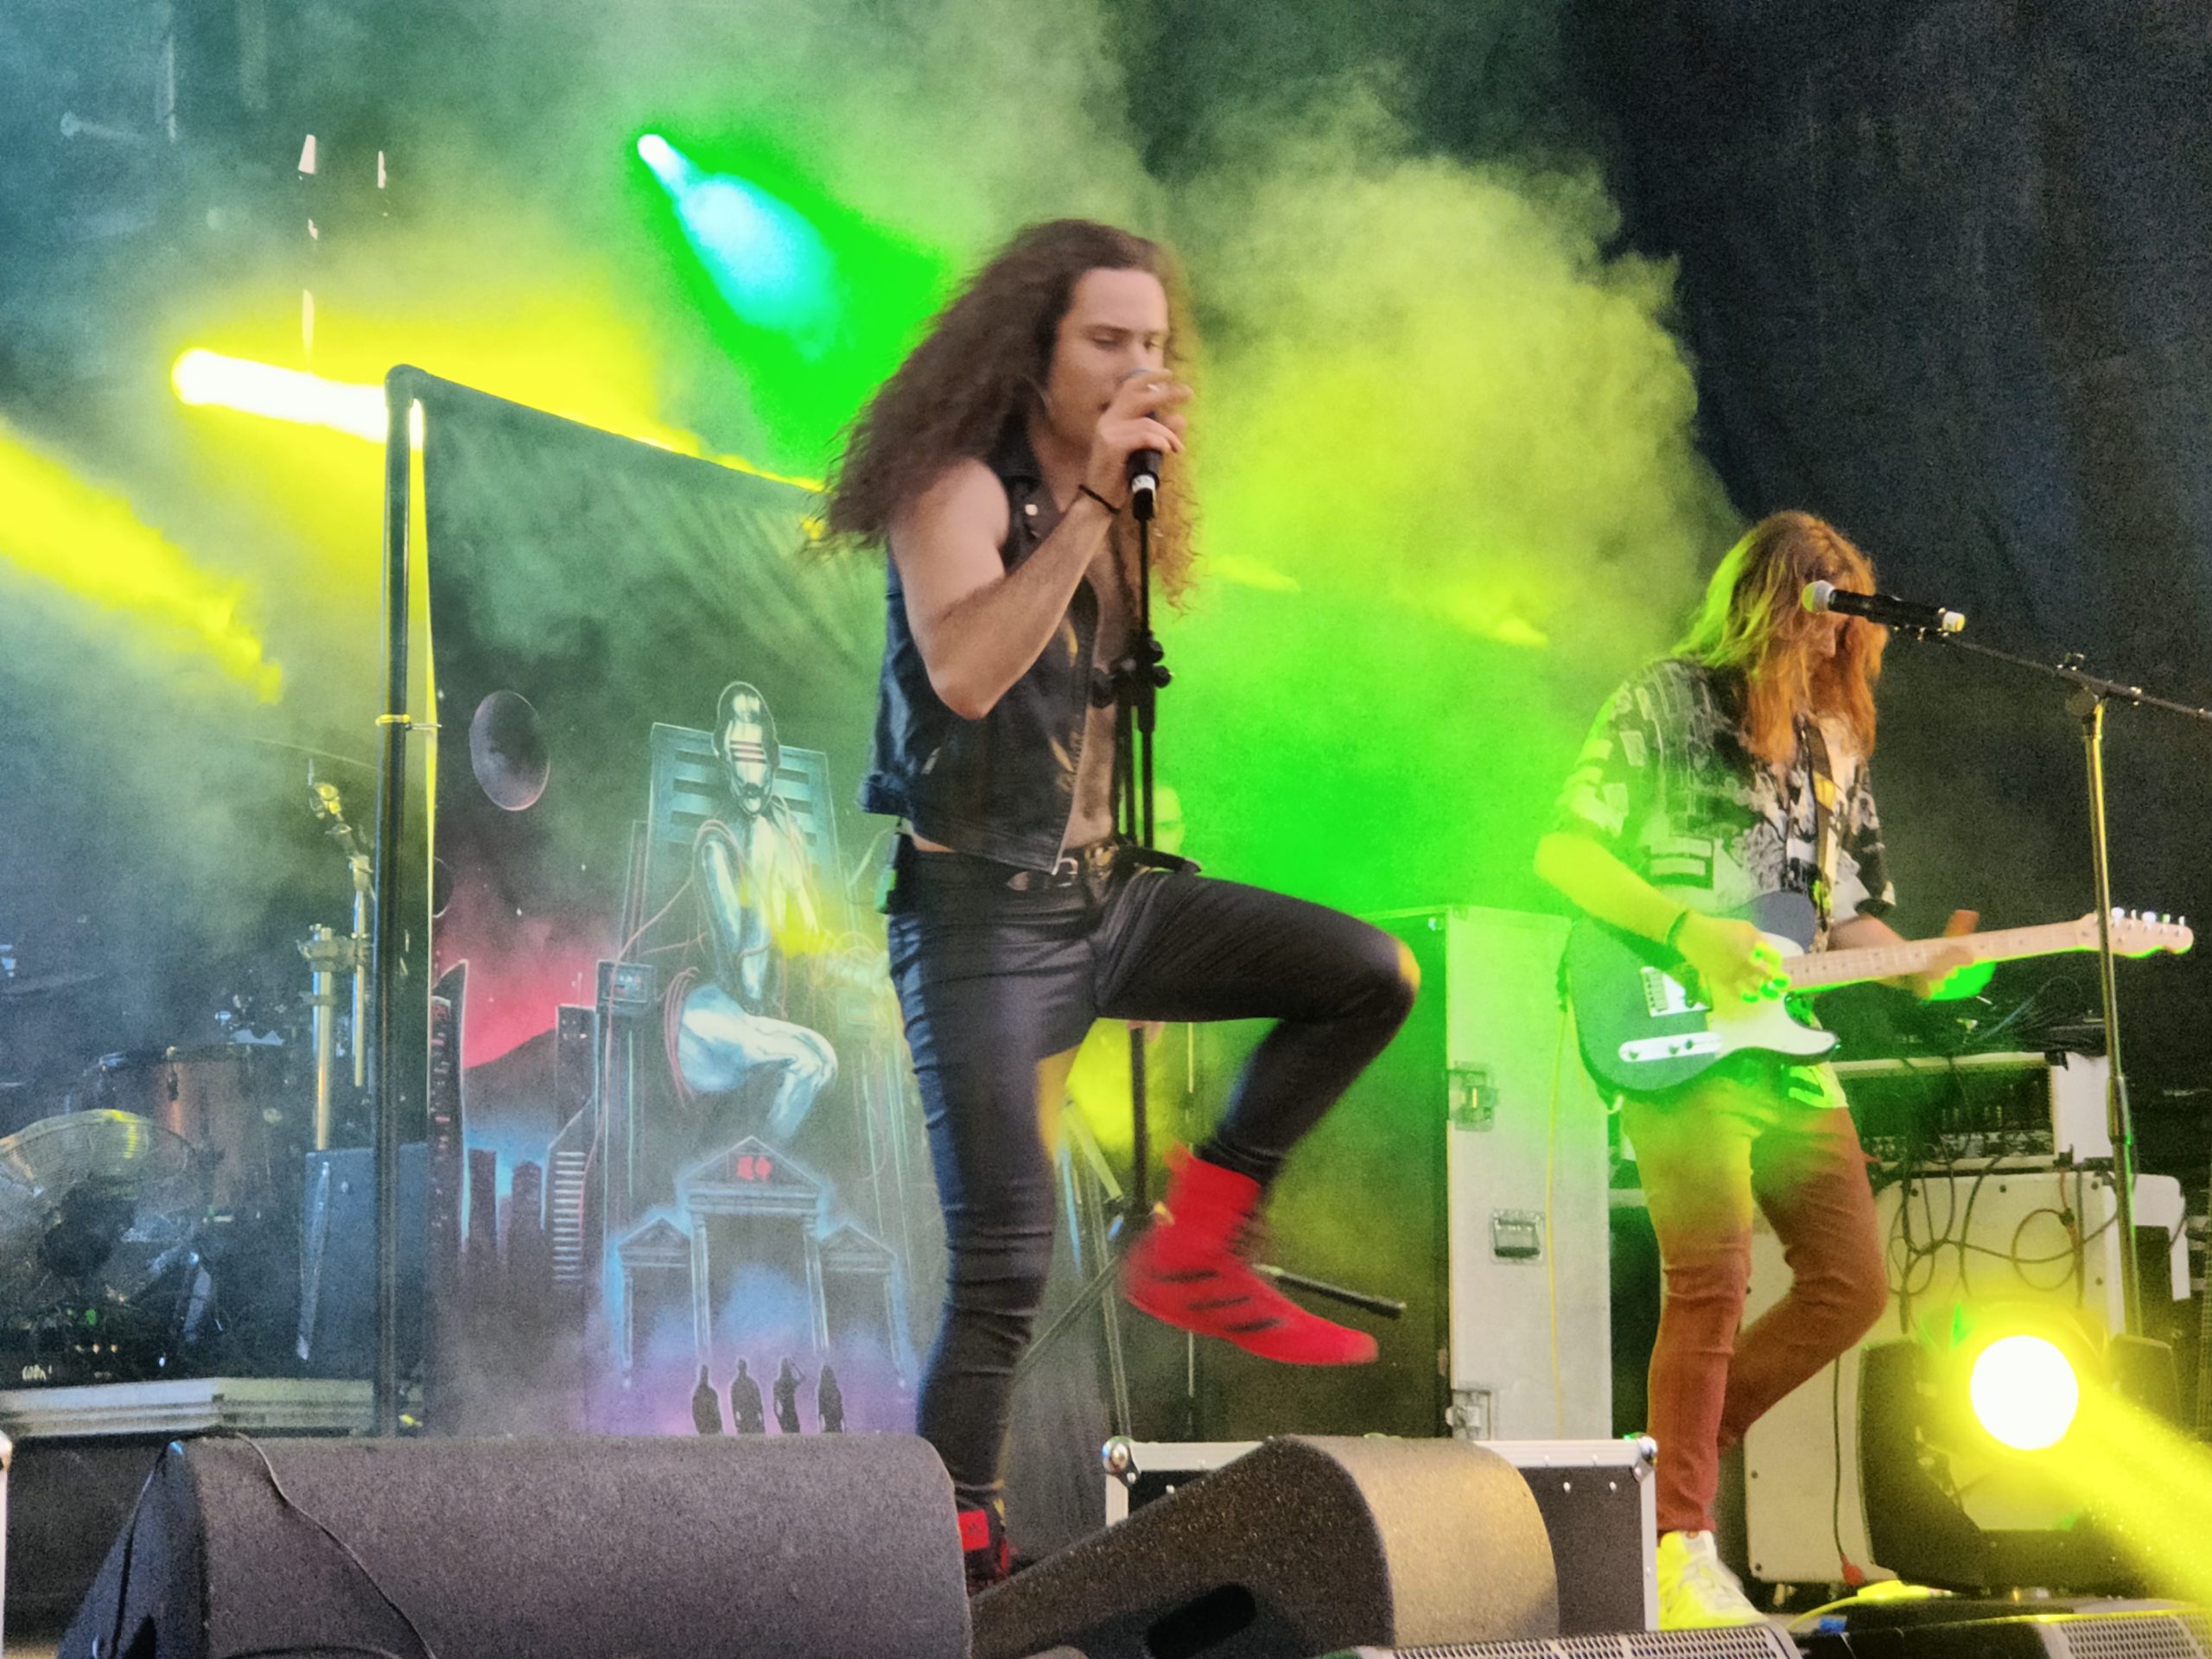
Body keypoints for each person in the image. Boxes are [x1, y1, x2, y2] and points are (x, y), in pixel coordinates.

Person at [825, 218, 1417, 1588]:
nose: (1137, 365)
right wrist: (1092, 504)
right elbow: (970, 674)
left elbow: (1094, 719)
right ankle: (957, 1571)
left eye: (1153, 342)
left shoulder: (1128, 509)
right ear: (1031, 348)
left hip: (1107, 901)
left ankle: (1204, 1238)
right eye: (1106, 339)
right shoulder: (952, 486)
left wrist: (1154, 870)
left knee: (1368, 974)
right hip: (980, 924)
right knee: (1004, 1267)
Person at [1535, 510, 1978, 1627]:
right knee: (1713, 1276)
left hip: (1780, 1035)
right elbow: (1564, 849)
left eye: (1849, 628)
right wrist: (1690, 932)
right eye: (1820, 616)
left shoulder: (1837, 744)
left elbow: (1844, 913)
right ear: (1769, 603)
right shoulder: (1665, 700)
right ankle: (1677, 1541)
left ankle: (1657, 1466)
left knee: (1851, 1283)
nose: (1835, 642)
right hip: (1668, 1016)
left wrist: (1919, 969)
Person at [674, 682, 837, 1147]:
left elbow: (812, 939)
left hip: (755, 1025)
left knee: (822, 1061)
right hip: (709, 1021)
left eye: (759, 757)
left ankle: (761, 1160)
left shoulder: (784, 831)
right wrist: (764, 862)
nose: (751, 777)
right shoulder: (715, 845)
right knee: (811, 1060)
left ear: (773, 759)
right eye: (739, 755)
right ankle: (756, 1164)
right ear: (723, 756)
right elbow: (746, 981)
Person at [728, 1357, 766, 1433]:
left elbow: (758, 1401)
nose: (742, 1369)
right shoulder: (736, 1385)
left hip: (753, 1417)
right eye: (741, 1367)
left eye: (743, 1366)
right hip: (743, 1418)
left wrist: (761, 1418)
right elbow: (734, 1404)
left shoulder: (751, 1383)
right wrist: (736, 1419)